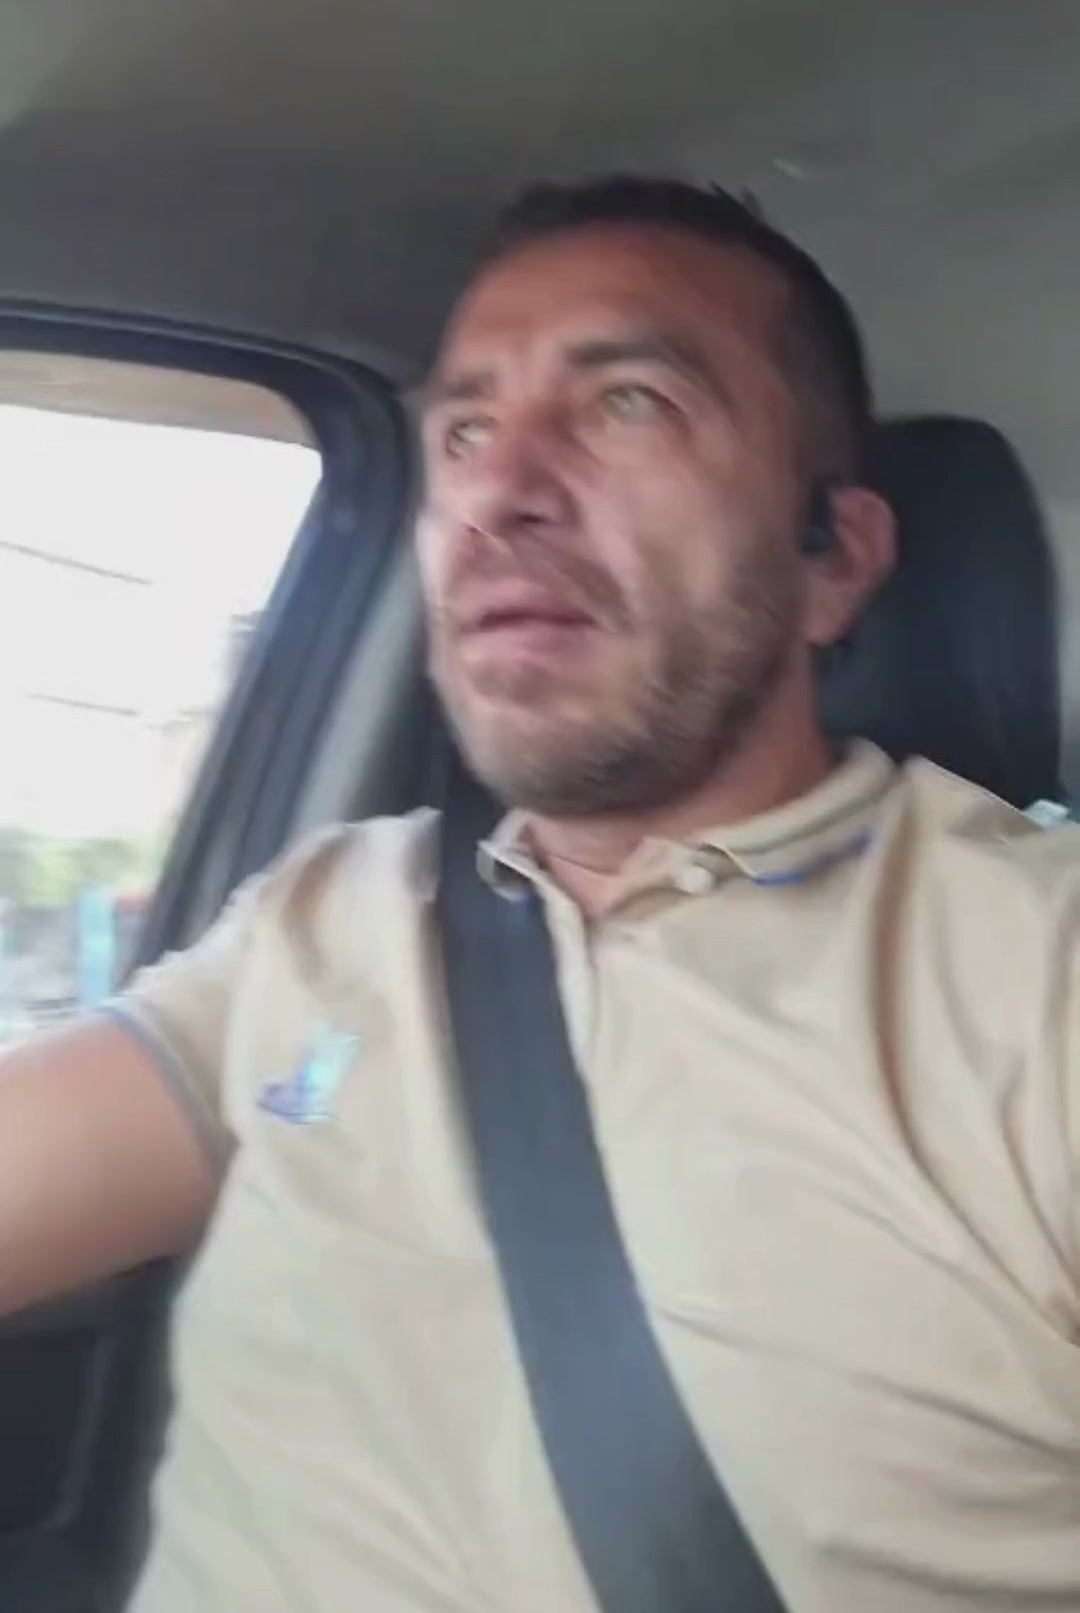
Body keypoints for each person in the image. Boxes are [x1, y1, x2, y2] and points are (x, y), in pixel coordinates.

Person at [2, 176, 1079, 1613]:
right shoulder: (325, 916)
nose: (498, 491)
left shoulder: (1035, 974)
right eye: (461, 430)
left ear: (833, 559)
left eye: (629, 403)